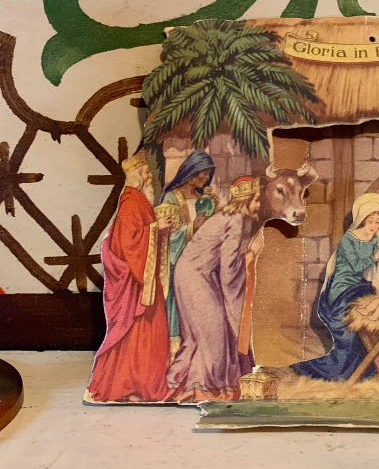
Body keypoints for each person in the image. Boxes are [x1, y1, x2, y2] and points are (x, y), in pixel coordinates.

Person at [165, 176, 261, 401]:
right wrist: (251, 255)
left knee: (199, 337)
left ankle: (175, 379)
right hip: (195, 278)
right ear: (246, 200)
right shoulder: (235, 220)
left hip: (193, 275)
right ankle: (200, 388)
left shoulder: (227, 215)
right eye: (256, 200)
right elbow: (228, 269)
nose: (258, 206)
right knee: (213, 335)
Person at [87, 151, 173, 402]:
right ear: (136, 177)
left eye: (149, 173)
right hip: (135, 287)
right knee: (137, 336)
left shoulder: (138, 201)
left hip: (145, 281)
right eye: (145, 173)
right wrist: (157, 228)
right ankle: (126, 386)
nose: (149, 177)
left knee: (149, 336)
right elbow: (127, 244)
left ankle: (142, 385)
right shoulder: (131, 203)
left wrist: (158, 227)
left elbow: (139, 234)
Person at [291, 194, 379, 381]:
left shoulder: (373, 240)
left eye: (377, 222)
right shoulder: (348, 240)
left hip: (358, 286)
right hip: (341, 288)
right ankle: (339, 369)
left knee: (374, 316)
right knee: (349, 329)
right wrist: (374, 257)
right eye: (370, 221)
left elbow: (376, 266)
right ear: (362, 220)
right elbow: (356, 266)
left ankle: (368, 365)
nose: (373, 226)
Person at [160, 150, 217, 360]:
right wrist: (193, 227)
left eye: (208, 174)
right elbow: (168, 235)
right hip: (178, 263)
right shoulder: (171, 198)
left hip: (201, 263)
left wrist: (215, 215)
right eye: (203, 173)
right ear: (192, 172)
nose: (206, 178)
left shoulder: (204, 199)